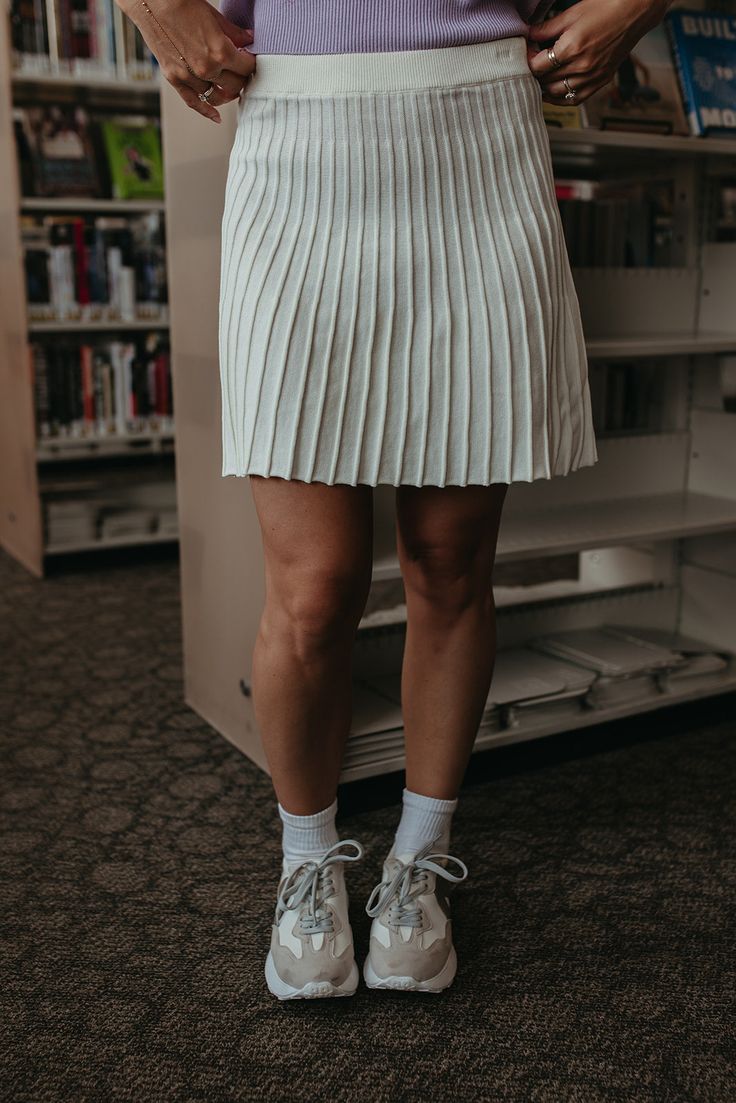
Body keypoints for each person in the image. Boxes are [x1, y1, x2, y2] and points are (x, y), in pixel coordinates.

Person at [119, 0, 676, 999]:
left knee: (449, 564)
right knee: (314, 584)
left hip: (479, 138)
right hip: (297, 129)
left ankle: (418, 860)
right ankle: (306, 862)